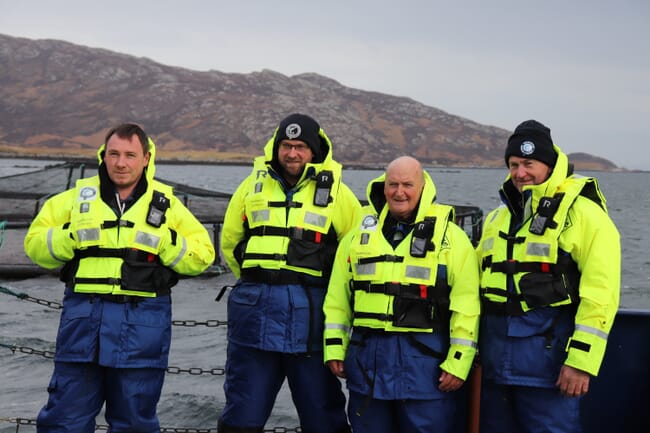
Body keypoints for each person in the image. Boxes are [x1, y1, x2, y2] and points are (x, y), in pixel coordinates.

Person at [24, 123, 216, 432]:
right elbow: (34, 244)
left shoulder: (167, 205)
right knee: (64, 421)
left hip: (142, 330)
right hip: (82, 325)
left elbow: (203, 255)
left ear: (146, 158)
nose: (121, 163)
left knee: (135, 424)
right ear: (103, 155)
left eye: (130, 155)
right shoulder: (73, 200)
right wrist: (71, 236)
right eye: (113, 154)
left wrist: (164, 241)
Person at [218, 113, 361, 433]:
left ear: (314, 151)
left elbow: (355, 253)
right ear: (276, 147)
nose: (292, 153)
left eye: (300, 147)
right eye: (286, 145)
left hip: (311, 324)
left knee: (322, 413)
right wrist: (260, 282)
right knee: (242, 412)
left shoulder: (340, 194)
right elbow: (230, 242)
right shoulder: (250, 186)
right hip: (253, 322)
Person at [476, 120, 621, 433]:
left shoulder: (584, 214)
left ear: (549, 164)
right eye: (514, 165)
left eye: (529, 164)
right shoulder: (497, 218)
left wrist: (581, 361)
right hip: (495, 368)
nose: (520, 173)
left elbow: (601, 293)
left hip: (550, 370)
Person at [323, 156, 480, 433]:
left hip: (426, 371)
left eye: (408, 184)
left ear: (422, 187)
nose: (399, 192)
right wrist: (334, 347)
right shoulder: (357, 238)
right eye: (393, 184)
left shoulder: (452, 239)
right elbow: (337, 300)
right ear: (383, 187)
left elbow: (466, 305)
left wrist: (458, 362)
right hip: (367, 368)